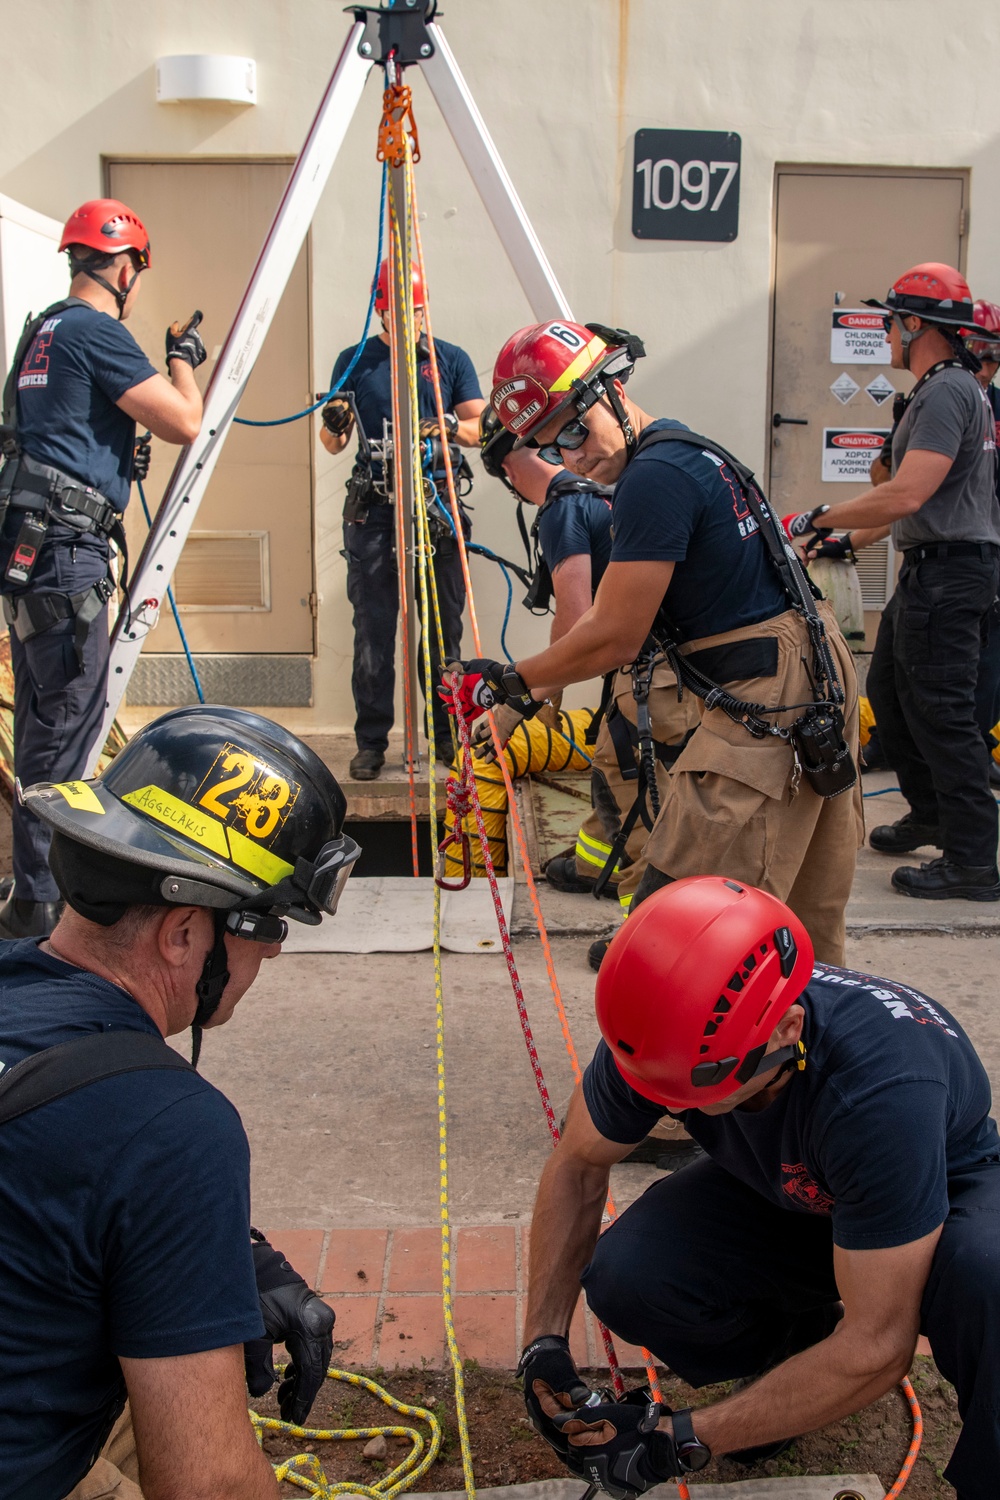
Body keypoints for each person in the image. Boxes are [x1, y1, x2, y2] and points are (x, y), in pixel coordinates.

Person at [517, 875, 1000, 1500]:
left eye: (695, 1090)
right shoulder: (669, 1027)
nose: (666, 1108)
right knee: (630, 1275)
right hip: (791, 1187)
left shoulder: (880, 1096)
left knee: (989, 1280)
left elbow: (882, 1344)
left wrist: (682, 1438)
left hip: (935, 1190)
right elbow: (579, 1165)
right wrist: (541, 1343)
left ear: (785, 1032)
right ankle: (799, 1350)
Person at [0, 703, 360, 1500]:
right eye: (267, 924)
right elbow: (210, 1487)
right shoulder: (169, 1127)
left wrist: (231, 1251)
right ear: (181, 933)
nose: (271, 950)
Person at [445, 320, 862, 965]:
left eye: (576, 432)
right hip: (805, 680)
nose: (573, 458)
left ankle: (690, 1055)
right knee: (803, 922)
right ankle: (802, 1051)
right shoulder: (689, 452)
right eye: (555, 449)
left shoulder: (653, 478)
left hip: (769, 695)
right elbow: (606, 622)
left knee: (683, 919)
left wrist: (509, 681)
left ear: (610, 388)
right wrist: (519, 699)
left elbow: (613, 634)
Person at [0, 198, 206, 941]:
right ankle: (46, 909)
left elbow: (59, 430)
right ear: (124, 266)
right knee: (69, 732)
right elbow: (185, 421)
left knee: (40, 725)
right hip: (66, 552)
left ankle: (31, 894)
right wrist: (182, 359)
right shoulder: (97, 330)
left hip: (30, 548)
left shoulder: (41, 332)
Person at [792, 265, 1000, 900]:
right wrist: (836, 539)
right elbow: (908, 505)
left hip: (952, 574)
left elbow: (907, 493)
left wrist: (811, 517)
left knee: (943, 714)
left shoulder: (947, 392)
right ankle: (931, 812)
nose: (884, 332)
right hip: (933, 569)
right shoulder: (946, 388)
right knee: (889, 690)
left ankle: (972, 861)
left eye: (890, 321)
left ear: (915, 325)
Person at [478, 411, 700, 955]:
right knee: (619, 769)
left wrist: (524, 701)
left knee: (639, 795)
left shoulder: (561, 511)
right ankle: (591, 864)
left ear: (510, 469)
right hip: (668, 668)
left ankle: (648, 942)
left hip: (650, 675)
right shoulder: (603, 493)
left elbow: (576, 615)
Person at [320, 260, 484, 781]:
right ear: (380, 309)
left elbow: (483, 427)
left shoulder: (448, 359)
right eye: (395, 314)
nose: (406, 323)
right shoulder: (356, 361)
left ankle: (444, 737)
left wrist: (450, 426)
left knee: (442, 632)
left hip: (435, 507)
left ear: (424, 306)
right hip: (376, 511)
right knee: (373, 632)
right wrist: (334, 423)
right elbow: (333, 442)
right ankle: (372, 742)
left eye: (414, 312)